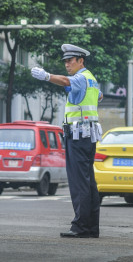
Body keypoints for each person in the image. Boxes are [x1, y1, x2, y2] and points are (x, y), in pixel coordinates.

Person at [31, 44, 103, 238]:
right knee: (88, 183)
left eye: (70, 60)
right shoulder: (92, 79)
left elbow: (64, 81)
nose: (67, 64)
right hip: (88, 136)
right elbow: (99, 96)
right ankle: (91, 227)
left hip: (79, 136)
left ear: (81, 61)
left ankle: (80, 226)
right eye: (65, 61)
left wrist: (46, 76)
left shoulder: (80, 78)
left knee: (80, 183)